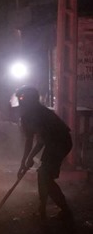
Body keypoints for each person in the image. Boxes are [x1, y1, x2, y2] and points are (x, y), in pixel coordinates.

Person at [15, 85, 73, 223]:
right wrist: (24, 162)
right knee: (43, 175)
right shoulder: (28, 115)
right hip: (54, 143)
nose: (20, 102)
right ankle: (42, 209)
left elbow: (41, 141)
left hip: (60, 142)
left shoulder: (38, 113)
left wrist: (29, 160)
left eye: (22, 98)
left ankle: (64, 210)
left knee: (44, 175)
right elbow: (29, 140)